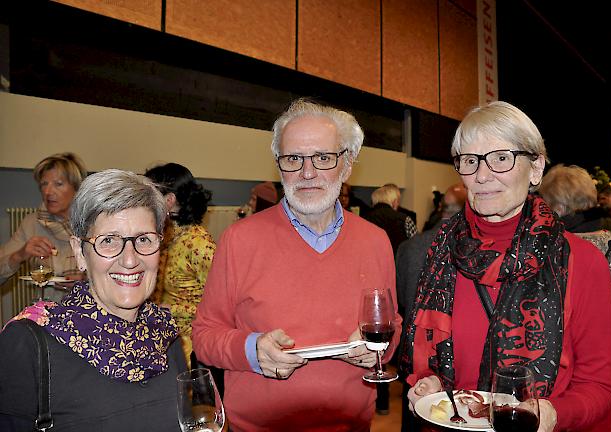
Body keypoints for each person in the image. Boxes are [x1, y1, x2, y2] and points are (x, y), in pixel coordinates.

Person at [402, 101, 611, 432]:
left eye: (501, 158)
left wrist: (555, 413)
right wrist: (429, 385)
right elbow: (428, 358)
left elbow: (599, 387)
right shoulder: (435, 255)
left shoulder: (583, 263)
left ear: (535, 168)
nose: (483, 175)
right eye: (470, 161)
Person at [192, 99, 401, 431]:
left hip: (352, 425)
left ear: (346, 165)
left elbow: (391, 323)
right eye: (293, 159)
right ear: (279, 165)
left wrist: (379, 350)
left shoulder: (376, 241)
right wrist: (252, 350)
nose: (307, 172)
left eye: (322, 157)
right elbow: (204, 336)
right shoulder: (239, 240)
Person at [0, 169, 185, 431]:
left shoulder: (165, 335)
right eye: (108, 241)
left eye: (144, 239)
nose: (130, 260)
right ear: (79, 252)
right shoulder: (27, 345)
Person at [538, 164, 611, 389]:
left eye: (545, 202)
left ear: (559, 205)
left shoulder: (555, 243)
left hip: (569, 356)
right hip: (600, 357)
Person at [395, 182, 467, 431]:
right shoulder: (471, 251)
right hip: (454, 361)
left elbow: (402, 303)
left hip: (413, 356)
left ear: (441, 208)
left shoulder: (410, 246)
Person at [144, 163, 216, 366]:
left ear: (169, 201)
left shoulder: (199, 244)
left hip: (186, 349)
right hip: (158, 337)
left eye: (148, 196)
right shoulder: (159, 238)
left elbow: (223, 308)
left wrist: (169, 309)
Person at [0, 152, 87, 300]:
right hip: (46, 312)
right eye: (44, 184)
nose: (47, 192)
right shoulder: (31, 223)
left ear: (76, 189)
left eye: (58, 184)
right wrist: (19, 255)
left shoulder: (92, 223)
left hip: (90, 311)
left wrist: (87, 281)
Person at [365, 185, 417, 256]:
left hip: (373, 262)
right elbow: (416, 244)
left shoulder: (364, 218)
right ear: (394, 202)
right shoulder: (404, 219)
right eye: (397, 201)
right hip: (398, 263)